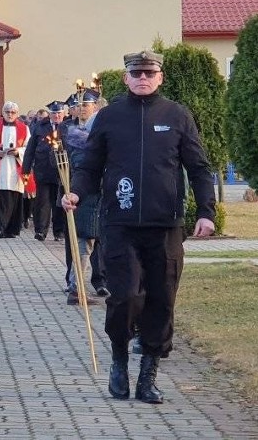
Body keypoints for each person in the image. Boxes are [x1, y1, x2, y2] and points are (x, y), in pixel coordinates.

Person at [62, 50, 216, 404]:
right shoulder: (109, 117)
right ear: (126, 78)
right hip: (120, 223)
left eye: (150, 72)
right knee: (126, 295)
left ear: (160, 77)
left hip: (165, 226)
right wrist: (75, 192)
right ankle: (119, 360)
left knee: (162, 299)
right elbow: (89, 165)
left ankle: (149, 374)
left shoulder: (177, 116)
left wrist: (205, 211)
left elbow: (198, 167)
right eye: (137, 73)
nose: (143, 78)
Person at [58, 89, 101, 306]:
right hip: (86, 200)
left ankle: (86, 285)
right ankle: (77, 288)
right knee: (84, 245)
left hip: (91, 200)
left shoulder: (79, 140)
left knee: (88, 245)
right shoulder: (82, 145)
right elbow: (84, 171)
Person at [0, 101, 34, 238]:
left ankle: (12, 229)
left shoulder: (24, 128)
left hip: (16, 168)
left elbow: (29, 147)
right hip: (0, 167)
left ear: (16, 113)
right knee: (0, 199)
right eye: (7, 112)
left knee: (14, 198)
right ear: (3, 113)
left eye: (13, 112)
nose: (10, 114)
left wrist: (18, 152)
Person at [22, 100, 67, 242]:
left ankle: (59, 231)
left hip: (62, 172)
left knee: (59, 203)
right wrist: (26, 169)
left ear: (63, 113)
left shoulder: (67, 127)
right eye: (54, 113)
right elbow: (30, 149)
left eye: (59, 113)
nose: (57, 116)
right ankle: (40, 230)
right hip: (43, 170)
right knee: (43, 202)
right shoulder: (40, 127)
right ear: (50, 114)